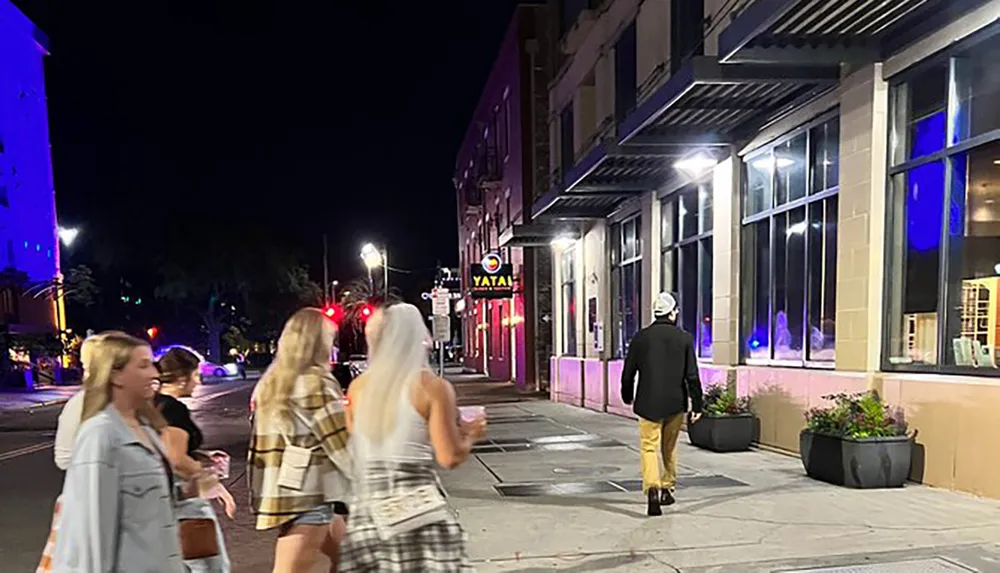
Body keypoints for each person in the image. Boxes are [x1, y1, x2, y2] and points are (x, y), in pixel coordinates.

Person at [340, 304, 485, 572]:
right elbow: (449, 456)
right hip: (415, 508)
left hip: (367, 510)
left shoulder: (358, 387)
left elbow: (354, 438)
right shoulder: (432, 388)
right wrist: (470, 435)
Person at [51, 331, 185, 571]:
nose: (154, 373)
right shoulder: (100, 435)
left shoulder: (146, 429)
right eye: (143, 366)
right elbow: (90, 535)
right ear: (116, 375)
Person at [248, 307, 353, 573]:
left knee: (352, 561)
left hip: (288, 489)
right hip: (313, 494)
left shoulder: (271, 382)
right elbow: (341, 444)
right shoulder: (316, 382)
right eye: (329, 338)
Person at [621, 292, 703, 517]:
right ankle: (667, 488)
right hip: (675, 403)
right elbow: (692, 376)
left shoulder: (640, 338)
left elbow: (628, 373)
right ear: (673, 312)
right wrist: (697, 404)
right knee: (669, 448)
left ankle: (652, 489)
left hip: (647, 403)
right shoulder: (684, 338)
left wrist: (627, 395)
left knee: (649, 447)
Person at [155, 346, 235, 572]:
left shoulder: (150, 405)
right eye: (195, 375)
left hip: (160, 499)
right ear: (181, 379)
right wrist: (210, 481)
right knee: (208, 565)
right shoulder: (172, 409)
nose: (198, 382)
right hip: (186, 501)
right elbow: (176, 458)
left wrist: (201, 454)